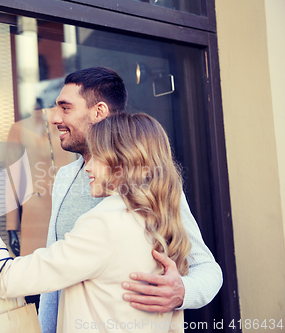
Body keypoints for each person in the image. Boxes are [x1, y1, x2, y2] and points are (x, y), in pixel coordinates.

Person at [0, 112, 191, 332]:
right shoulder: (161, 219)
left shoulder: (106, 224)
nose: (87, 167)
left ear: (122, 163)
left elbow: (8, 279)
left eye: (96, 156)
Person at [39, 67, 223, 333]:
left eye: (65, 108)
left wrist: (184, 290)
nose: (55, 118)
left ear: (99, 112)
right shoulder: (65, 177)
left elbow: (207, 269)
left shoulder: (150, 181)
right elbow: (53, 273)